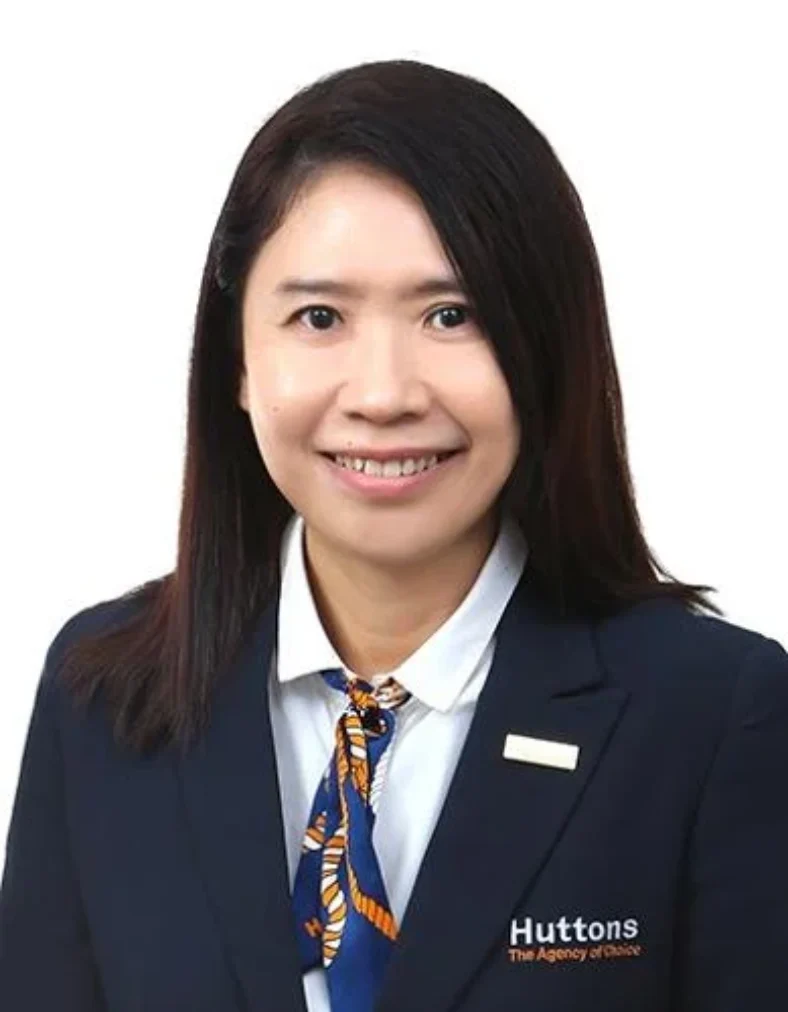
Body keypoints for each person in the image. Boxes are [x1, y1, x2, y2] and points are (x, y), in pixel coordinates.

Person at [0, 58, 786, 1012]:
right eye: (319, 317)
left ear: (547, 348)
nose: (382, 395)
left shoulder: (712, 716)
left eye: (452, 315)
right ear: (237, 361)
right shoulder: (104, 699)